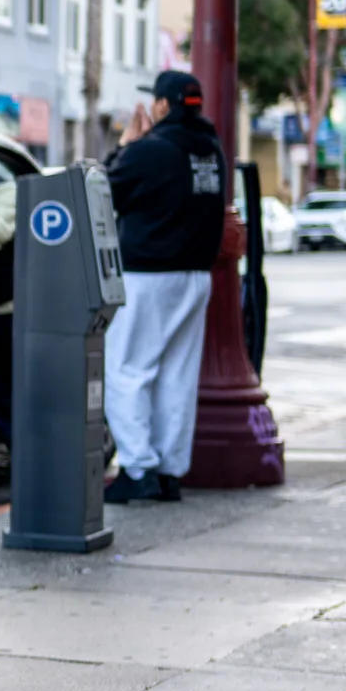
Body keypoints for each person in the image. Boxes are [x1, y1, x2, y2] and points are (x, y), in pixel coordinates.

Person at [101, 69, 226, 503]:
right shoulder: (211, 150)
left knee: (127, 369)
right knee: (177, 374)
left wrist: (125, 146)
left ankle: (138, 468)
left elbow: (102, 190)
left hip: (147, 275)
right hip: (196, 276)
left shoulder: (151, 151)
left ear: (161, 105)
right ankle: (169, 469)